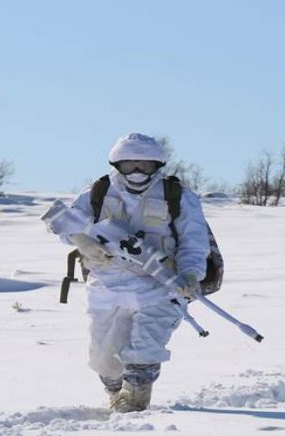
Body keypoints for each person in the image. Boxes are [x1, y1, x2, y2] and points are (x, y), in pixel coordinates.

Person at [56, 133, 210, 412]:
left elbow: (194, 241)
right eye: (130, 165)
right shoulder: (98, 192)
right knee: (105, 358)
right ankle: (116, 396)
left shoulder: (178, 196)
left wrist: (190, 274)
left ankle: (135, 405)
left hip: (160, 286)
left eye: (145, 165)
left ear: (157, 166)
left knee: (144, 349)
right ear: (117, 165)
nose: (137, 172)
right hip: (107, 285)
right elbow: (64, 223)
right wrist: (82, 242)